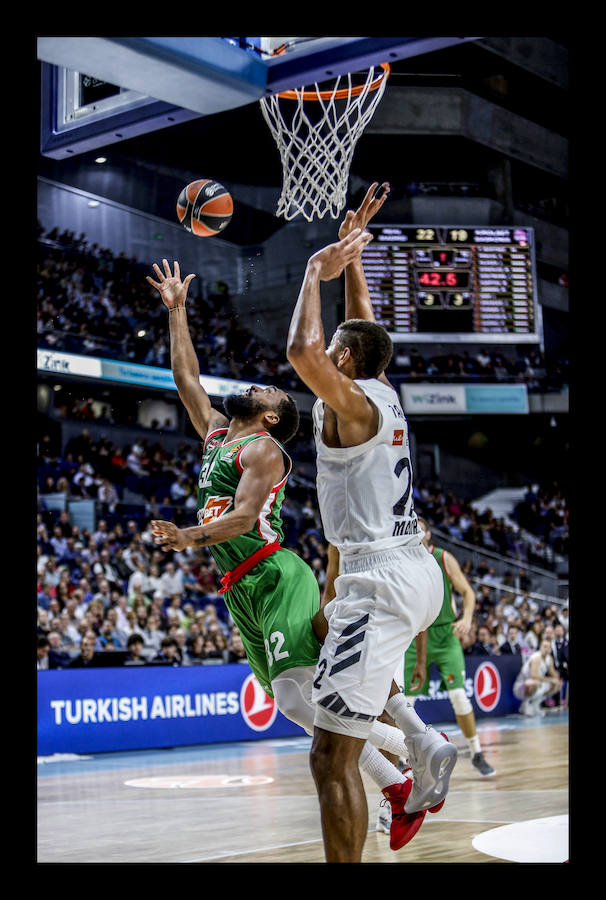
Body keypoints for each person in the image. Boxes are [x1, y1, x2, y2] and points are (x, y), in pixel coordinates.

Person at [146, 253, 436, 857]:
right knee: (294, 701)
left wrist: (186, 537)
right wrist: (177, 313)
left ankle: (412, 755)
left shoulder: (267, 452)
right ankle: (401, 773)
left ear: (272, 417)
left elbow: (246, 519)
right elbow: (186, 380)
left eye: (264, 389)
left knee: (312, 705)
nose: (252, 385)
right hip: (240, 588)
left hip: (276, 573)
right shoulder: (220, 437)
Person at [286, 183, 457, 863]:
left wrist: (314, 271)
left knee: (331, 757)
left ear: (347, 362)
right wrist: (353, 258)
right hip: (408, 567)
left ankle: (411, 761)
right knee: (332, 676)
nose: (330, 352)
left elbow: (304, 352)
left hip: (379, 577)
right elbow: (364, 329)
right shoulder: (383, 387)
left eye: (338, 350)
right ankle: (418, 736)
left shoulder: (355, 403)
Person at [512, 637, 562, 716]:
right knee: (535, 683)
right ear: (540, 647)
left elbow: (553, 674)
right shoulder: (536, 658)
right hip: (521, 686)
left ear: (551, 649)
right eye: (544, 646)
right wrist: (551, 679)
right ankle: (525, 705)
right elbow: (534, 676)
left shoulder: (549, 659)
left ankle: (536, 704)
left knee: (557, 684)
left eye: (548, 647)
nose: (546, 649)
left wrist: (557, 678)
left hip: (537, 682)